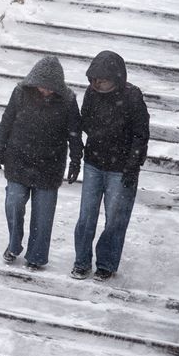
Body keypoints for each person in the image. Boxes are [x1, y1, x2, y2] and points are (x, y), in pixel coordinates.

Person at [0, 54, 82, 270]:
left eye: (50, 87)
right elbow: (7, 121)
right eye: (42, 86)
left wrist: (75, 160)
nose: (45, 91)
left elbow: (74, 133)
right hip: (18, 159)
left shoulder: (68, 101)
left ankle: (37, 256)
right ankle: (14, 245)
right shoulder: (20, 93)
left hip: (49, 165)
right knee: (13, 203)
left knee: (43, 216)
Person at [71, 50, 149, 279]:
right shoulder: (91, 94)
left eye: (101, 80)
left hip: (121, 167)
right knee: (86, 215)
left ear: (115, 78)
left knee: (115, 218)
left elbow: (141, 133)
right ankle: (81, 261)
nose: (96, 84)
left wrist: (132, 165)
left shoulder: (133, 97)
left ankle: (106, 262)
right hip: (94, 161)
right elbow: (85, 120)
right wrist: (97, 132)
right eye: (93, 80)